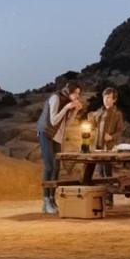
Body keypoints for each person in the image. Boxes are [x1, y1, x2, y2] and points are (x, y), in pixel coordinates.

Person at [37, 81, 81, 214]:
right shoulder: (55, 98)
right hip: (46, 133)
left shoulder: (67, 102)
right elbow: (54, 120)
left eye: (78, 94)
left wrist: (75, 111)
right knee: (49, 166)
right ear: (69, 91)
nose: (77, 96)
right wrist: (67, 108)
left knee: (57, 167)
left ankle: (52, 198)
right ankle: (45, 201)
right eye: (75, 93)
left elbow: (66, 124)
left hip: (57, 136)